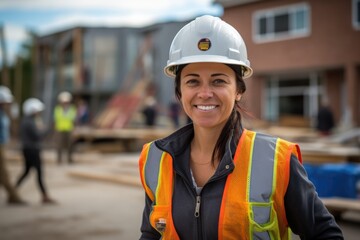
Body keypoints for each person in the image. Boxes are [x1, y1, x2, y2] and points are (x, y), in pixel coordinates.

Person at [138, 15, 343, 239]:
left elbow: (325, 234)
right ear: (179, 92)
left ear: (238, 90)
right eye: (192, 81)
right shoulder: (155, 159)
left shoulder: (276, 161)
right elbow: (151, 233)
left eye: (218, 81)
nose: (205, 93)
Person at [16, 98, 56, 204]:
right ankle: (44, 196)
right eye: (37, 110)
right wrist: (48, 130)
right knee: (38, 172)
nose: (39, 113)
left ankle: (14, 191)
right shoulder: (29, 122)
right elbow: (37, 136)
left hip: (28, 149)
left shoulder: (26, 121)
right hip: (32, 150)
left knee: (26, 171)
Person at [0, 86, 26, 205]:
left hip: (2, 145)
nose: (8, 105)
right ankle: (13, 196)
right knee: (3, 173)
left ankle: (13, 196)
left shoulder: (4, 114)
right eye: (6, 102)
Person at [53, 91, 76, 164]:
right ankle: (59, 159)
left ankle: (69, 159)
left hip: (69, 129)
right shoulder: (57, 109)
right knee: (59, 145)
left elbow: (73, 120)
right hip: (59, 129)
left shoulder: (72, 109)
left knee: (70, 145)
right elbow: (55, 120)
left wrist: (73, 130)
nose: (65, 103)